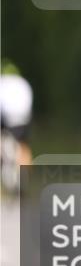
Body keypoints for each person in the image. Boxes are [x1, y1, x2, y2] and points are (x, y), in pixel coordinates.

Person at [0, 60, 34, 192]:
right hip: (24, 117)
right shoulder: (23, 83)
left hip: (7, 117)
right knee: (24, 145)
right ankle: (25, 179)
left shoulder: (2, 83)